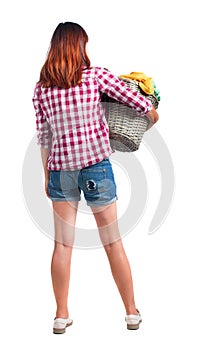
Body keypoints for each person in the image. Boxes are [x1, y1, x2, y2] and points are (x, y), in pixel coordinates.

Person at [32, 21, 159, 334]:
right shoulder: (96, 76)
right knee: (113, 243)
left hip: (60, 171)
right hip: (96, 167)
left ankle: (61, 315)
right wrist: (152, 117)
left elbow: (44, 138)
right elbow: (143, 105)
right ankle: (131, 313)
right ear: (79, 46)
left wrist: (46, 176)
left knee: (63, 246)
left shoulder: (41, 89)